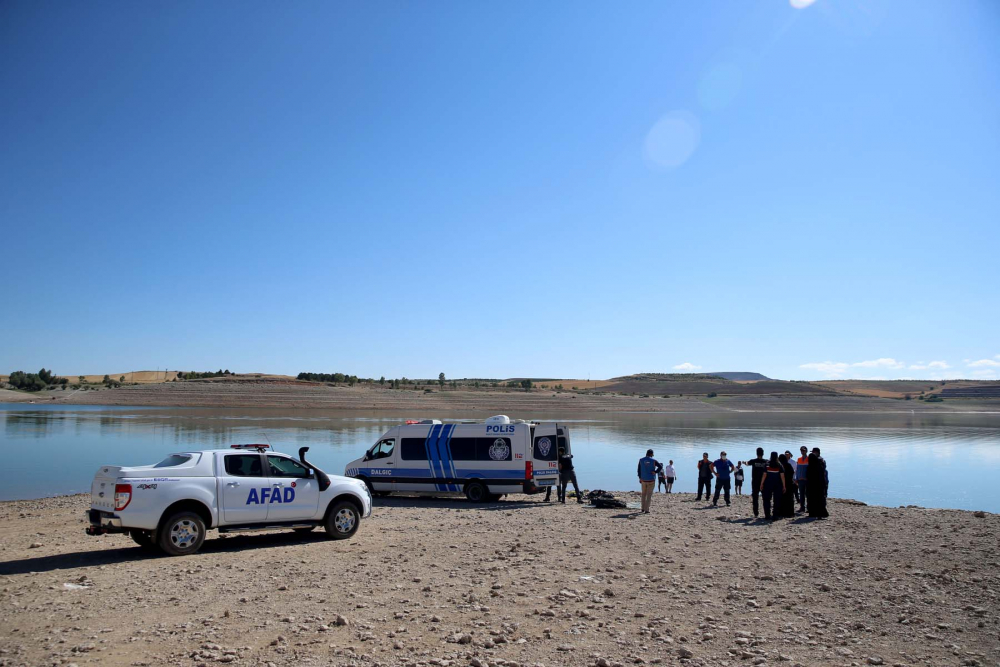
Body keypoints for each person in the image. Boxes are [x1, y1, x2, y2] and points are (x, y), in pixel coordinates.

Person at [742, 447, 768, 517]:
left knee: (755, 498)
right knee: (765, 498)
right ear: (763, 453)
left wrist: (744, 462)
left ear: (756, 453)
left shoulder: (753, 461)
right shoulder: (766, 462)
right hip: (764, 482)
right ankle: (766, 513)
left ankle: (756, 513)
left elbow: (747, 463)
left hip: (755, 482)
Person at [760, 451, 785, 520]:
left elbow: (764, 475)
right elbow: (782, 476)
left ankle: (767, 515)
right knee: (776, 500)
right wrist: (784, 485)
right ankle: (775, 515)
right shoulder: (779, 465)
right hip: (777, 484)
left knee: (767, 500)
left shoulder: (767, 464)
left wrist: (761, 483)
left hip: (768, 484)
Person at [806, 448, 829, 518]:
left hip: (813, 485)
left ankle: (813, 512)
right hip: (819, 485)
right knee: (819, 499)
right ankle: (819, 513)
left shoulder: (810, 467)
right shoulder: (819, 464)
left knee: (812, 498)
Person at [637, 449, 659, 514]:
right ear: (651, 454)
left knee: (643, 494)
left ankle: (642, 508)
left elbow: (638, 470)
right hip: (651, 479)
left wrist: (640, 478)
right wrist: (655, 472)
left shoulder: (641, 460)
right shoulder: (654, 461)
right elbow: (660, 466)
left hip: (643, 479)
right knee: (649, 495)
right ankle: (647, 509)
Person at [779, 453, 796, 518]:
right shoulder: (788, 465)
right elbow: (792, 473)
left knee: (782, 498)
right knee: (790, 499)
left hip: (781, 484)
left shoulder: (780, 466)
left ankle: (782, 512)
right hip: (789, 484)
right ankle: (790, 513)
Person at [795, 446, 809, 512]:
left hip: (807, 480)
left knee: (808, 494)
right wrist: (796, 478)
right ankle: (802, 507)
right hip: (800, 479)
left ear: (806, 451)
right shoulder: (799, 459)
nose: (802, 452)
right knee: (801, 494)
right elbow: (797, 469)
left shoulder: (809, 459)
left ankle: (809, 508)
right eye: (801, 451)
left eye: (803, 450)